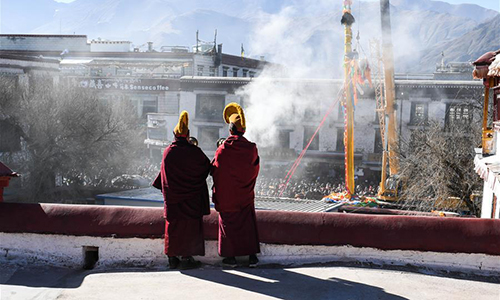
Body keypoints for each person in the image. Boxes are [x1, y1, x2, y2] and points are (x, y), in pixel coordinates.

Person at [152, 111, 211, 270]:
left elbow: (163, 175)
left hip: (173, 199)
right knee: (190, 228)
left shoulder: (168, 152)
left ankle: (172, 257)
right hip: (191, 199)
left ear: (174, 134)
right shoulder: (195, 152)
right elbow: (207, 168)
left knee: (173, 227)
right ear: (188, 135)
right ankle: (186, 258)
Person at [211, 102, 260, 267]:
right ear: (243, 130)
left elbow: (216, 171)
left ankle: (230, 257)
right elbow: (254, 169)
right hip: (245, 194)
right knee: (248, 224)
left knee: (228, 225)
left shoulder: (223, 149)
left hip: (228, 196)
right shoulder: (251, 148)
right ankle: (252, 256)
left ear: (230, 130)